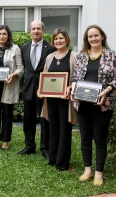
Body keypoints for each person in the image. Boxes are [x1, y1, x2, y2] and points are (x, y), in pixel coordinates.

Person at [71, 25, 116, 186]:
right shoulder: (81, 56)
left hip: (103, 103)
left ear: (102, 36)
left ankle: (99, 173)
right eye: (90, 36)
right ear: (87, 39)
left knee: (100, 139)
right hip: (82, 103)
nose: (93, 39)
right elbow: (75, 78)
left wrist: (107, 90)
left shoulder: (112, 55)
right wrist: (72, 86)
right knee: (85, 138)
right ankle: (87, 170)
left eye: (96, 35)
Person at [39, 28, 78, 171]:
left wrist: (70, 89)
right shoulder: (50, 57)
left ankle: (62, 162)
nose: (58, 41)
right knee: (53, 127)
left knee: (64, 129)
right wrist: (40, 90)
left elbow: (77, 77)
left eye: (61, 38)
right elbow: (44, 75)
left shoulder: (74, 56)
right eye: (56, 39)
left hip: (65, 99)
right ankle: (53, 158)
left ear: (66, 39)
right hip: (50, 98)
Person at [18, 20, 55, 159]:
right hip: (28, 89)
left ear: (43, 31)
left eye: (38, 28)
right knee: (28, 119)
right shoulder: (24, 48)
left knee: (44, 119)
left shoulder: (50, 48)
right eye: (33, 28)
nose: (36, 31)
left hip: (44, 90)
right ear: (30, 31)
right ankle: (29, 146)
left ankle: (45, 148)